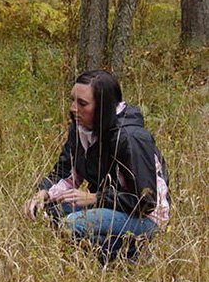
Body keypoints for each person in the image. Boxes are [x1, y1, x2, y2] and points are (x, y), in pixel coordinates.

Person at [24, 70, 170, 263]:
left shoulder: (131, 138)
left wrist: (95, 198)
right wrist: (43, 193)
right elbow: (65, 171)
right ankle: (122, 253)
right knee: (50, 210)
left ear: (103, 106)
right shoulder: (80, 128)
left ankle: (136, 251)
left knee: (73, 224)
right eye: (73, 100)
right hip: (109, 207)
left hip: (146, 217)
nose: (73, 108)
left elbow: (146, 201)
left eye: (82, 103)